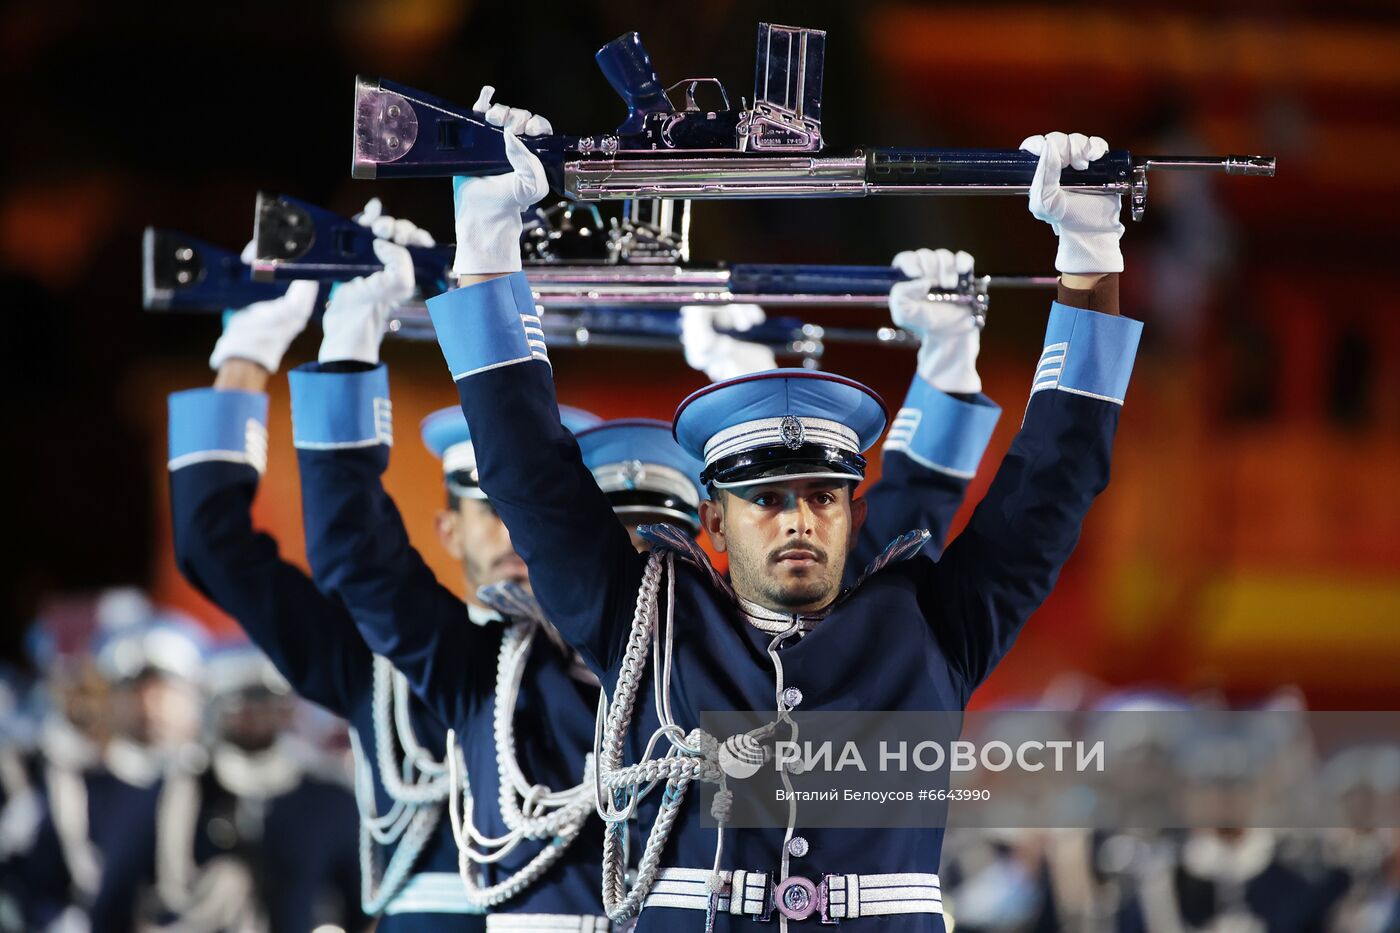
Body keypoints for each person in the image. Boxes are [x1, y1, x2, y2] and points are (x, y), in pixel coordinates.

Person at [423, 93, 1142, 931]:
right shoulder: (648, 625)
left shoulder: (930, 627)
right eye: (765, 499)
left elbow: (1053, 481)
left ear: (850, 511)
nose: (799, 518)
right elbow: (529, 475)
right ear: (714, 522)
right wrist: (485, 247)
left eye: (823, 495)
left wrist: (1091, 257)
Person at [167, 203, 483, 929]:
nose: (509, 534)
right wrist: (248, 352)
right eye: (485, 510)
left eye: (522, 509)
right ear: (450, 531)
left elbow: (789, 825)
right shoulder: (391, 675)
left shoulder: (655, 667)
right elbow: (217, 547)